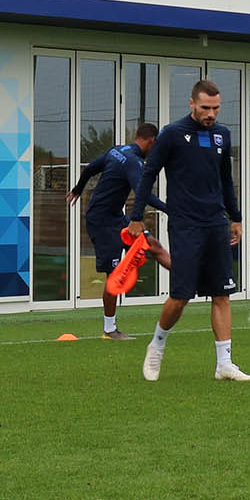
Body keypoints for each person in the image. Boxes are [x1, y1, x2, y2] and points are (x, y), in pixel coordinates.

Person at [129, 80, 250, 383]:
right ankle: (156, 346)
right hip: (185, 224)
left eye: (216, 108)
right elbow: (148, 176)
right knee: (181, 295)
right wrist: (136, 217)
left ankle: (224, 363)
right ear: (192, 104)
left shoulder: (223, 135)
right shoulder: (172, 135)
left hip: (215, 223)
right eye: (205, 108)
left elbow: (226, 181)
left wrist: (235, 218)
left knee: (222, 294)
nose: (211, 114)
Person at [68, 121, 171, 340]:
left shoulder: (116, 151)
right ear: (151, 141)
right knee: (114, 275)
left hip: (116, 218)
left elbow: (89, 169)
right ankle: (109, 329)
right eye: (157, 146)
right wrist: (171, 209)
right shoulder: (133, 162)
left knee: (152, 244)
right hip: (102, 222)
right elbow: (144, 194)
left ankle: (188, 277)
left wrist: (78, 188)